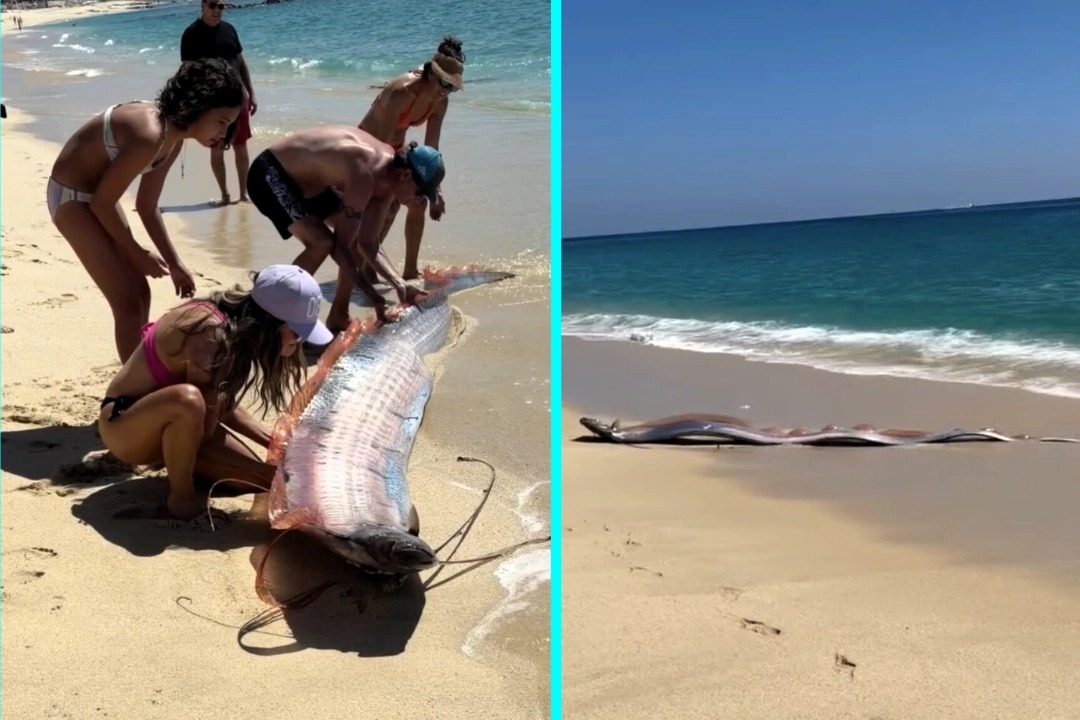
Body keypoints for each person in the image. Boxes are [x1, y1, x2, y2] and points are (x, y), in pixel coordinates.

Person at [48, 58, 246, 363]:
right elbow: (101, 204)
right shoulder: (149, 134)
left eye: (230, 124)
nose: (225, 132)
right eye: (222, 121)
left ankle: (138, 373)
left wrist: (174, 264)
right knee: (126, 301)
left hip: (100, 195)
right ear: (199, 104)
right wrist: (138, 253)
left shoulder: (174, 139)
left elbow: (146, 205)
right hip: (72, 197)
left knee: (141, 293)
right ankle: (129, 394)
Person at [97, 264, 331, 521]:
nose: (298, 343)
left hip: (164, 423)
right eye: (297, 334)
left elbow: (218, 405)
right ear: (271, 323)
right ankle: (181, 499)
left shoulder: (233, 329)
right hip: (123, 426)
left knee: (250, 481)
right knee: (188, 401)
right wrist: (277, 477)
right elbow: (201, 429)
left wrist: (277, 442)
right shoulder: (210, 334)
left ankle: (186, 469)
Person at [246, 125, 443, 335]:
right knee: (322, 243)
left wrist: (399, 283)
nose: (420, 200)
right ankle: (269, 315)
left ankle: (338, 316)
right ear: (405, 176)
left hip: (313, 185)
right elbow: (341, 248)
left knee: (355, 237)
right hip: (271, 172)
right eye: (421, 192)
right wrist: (372, 294)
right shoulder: (366, 173)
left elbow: (368, 243)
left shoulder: (388, 181)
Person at [358, 35, 464, 281]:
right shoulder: (401, 91)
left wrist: (435, 189)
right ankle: (367, 266)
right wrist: (392, 184)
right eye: (444, 84)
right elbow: (379, 145)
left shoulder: (440, 101)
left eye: (452, 87)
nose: (446, 92)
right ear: (431, 74)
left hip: (395, 148)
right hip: (368, 146)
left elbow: (432, 148)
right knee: (390, 206)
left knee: (419, 201)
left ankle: (409, 270)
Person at [180, 0, 258, 206]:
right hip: (211, 102)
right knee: (217, 147)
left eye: (221, 6)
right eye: (213, 5)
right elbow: (187, 70)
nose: (217, 10)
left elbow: (241, 62)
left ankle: (243, 195)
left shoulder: (229, 30)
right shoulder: (191, 33)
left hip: (237, 98)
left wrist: (251, 92)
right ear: (203, 6)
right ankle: (224, 195)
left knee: (240, 146)